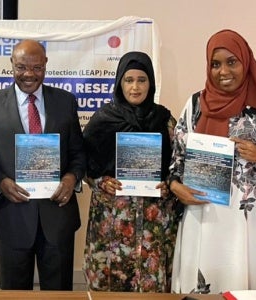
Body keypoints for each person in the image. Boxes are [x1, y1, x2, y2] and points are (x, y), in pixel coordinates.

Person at [168, 29, 256, 293]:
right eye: (215, 64)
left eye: (232, 62)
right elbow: (178, 159)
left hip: (252, 225)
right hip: (202, 215)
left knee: (248, 286)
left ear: (246, 62)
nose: (223, 71)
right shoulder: (195, 104)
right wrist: (176, 187)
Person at [0, 39, 86, 290]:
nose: (29, 74)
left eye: (37, 68)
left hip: (57, 215)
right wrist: (0, 182)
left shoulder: (65, 102)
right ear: (11, 64)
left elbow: (79, 153)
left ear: (46, 65)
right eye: (22, 67)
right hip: (13, 216)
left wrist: (71, 178)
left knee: (58, 296)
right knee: (14, 295)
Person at [82, 51, 177, 292]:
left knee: (150, 284)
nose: (135, 87)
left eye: (142, 80)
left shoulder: (164, 120)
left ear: (151, 83)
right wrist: (101, 181)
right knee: (111, 282)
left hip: (153, 220)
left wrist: (170, 183)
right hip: (112, 217)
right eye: (128, 80)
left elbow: (180, 163)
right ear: (119, 83)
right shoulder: (103, 119)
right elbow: (82, 163)